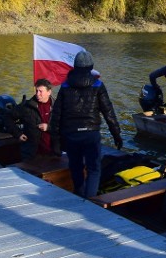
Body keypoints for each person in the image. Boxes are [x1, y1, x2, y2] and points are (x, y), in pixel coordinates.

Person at [49, 50, 123, 198]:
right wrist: (117, 134)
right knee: (94, 169)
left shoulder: (65, 86)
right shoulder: (98, 85)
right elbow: (109, 112)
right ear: (91, 67)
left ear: (75, 67)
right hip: (91, 134)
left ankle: (79, 193)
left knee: (75, 167)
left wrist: (55, 142)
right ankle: (90, 201)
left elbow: (56, 116)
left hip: (71, 135)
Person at [5, 79, 55, 160]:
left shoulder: (57, 106)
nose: (37, 94)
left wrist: (48, 127)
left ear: (49, 92)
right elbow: (7, 117)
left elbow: (64, 125)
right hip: (32, 154)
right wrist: (18, 134)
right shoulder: (26, 106)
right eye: (36, 91)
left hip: (53, 153)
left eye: (40, 91)